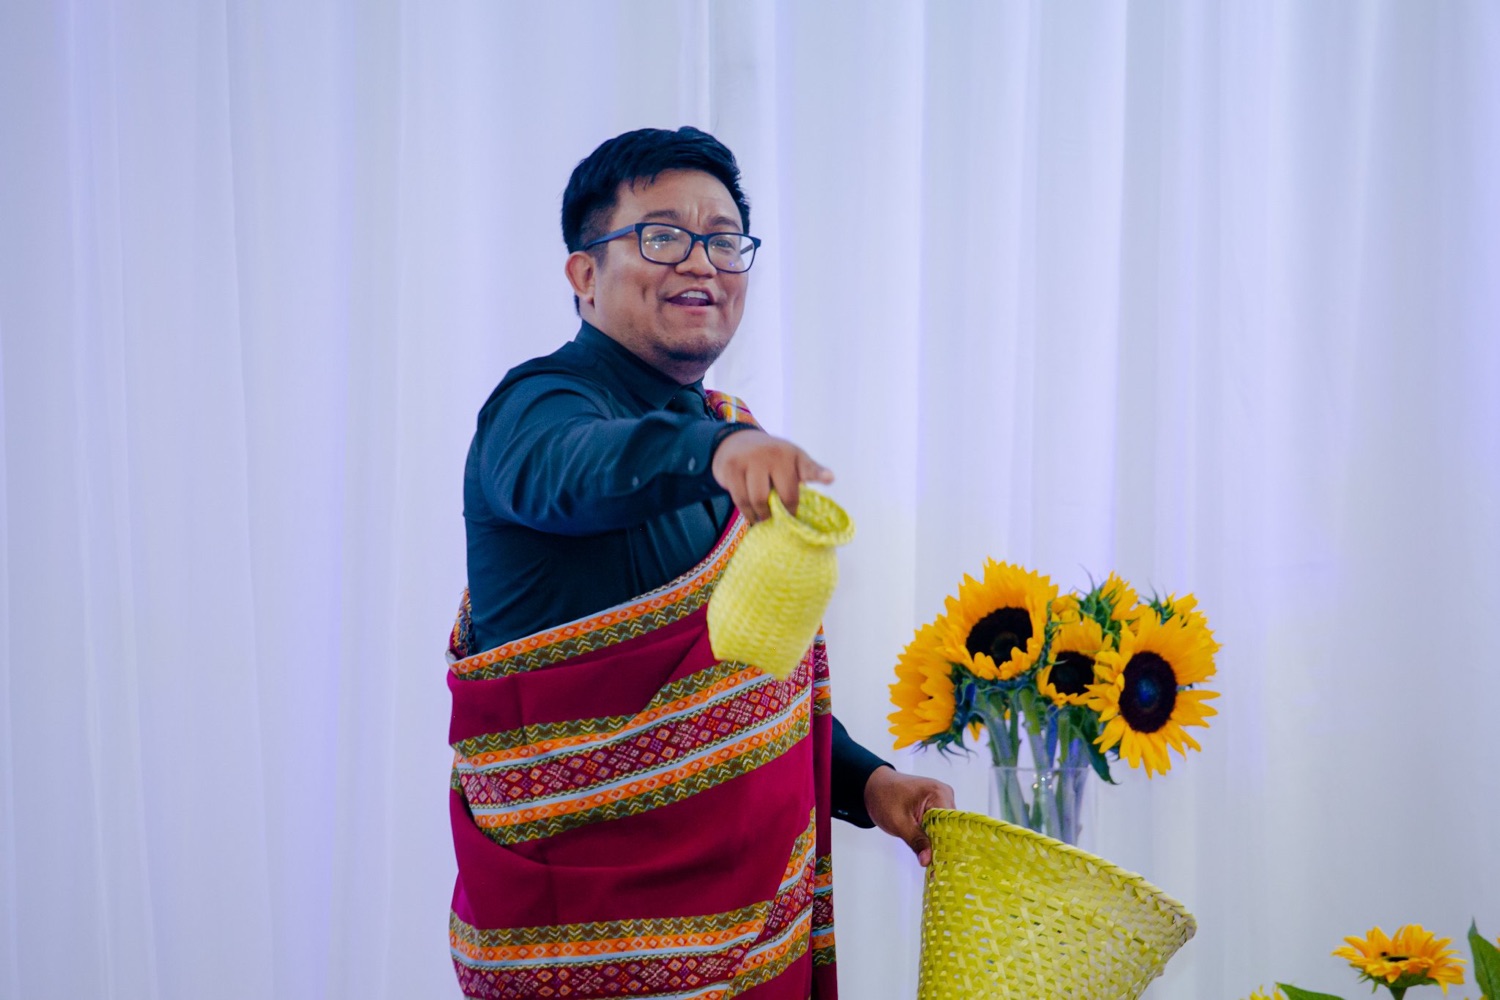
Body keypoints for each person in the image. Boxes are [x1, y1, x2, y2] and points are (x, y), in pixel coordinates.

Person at [446, 126, 954, 1000]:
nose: (701, 262)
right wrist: (714, 452)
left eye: (723, 240)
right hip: (582, 947)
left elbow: (744, 692)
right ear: (584, 274)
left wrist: (869, 784)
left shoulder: (724, 431)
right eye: (662, 236)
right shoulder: (536, 409)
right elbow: (570, 470)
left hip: (753, 934)